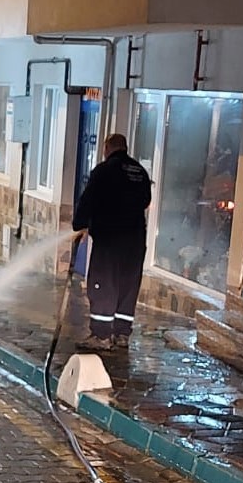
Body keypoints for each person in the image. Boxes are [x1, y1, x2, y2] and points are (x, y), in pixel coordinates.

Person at [71, 133, 152, 350]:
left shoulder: (104, 171)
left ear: (107, 148)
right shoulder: (139, 172)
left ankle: (101, 335)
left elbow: (88, 199)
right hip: (135, 241)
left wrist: (79, 224)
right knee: (127, 285)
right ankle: (122, 334)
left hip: (110, 240)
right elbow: (146, 201)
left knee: (103, 285)